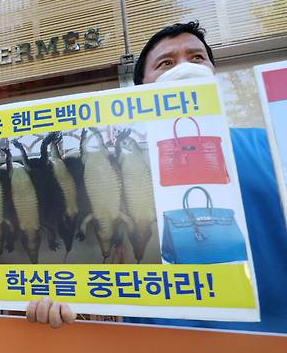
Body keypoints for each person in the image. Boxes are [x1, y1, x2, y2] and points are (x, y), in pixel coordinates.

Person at [28, 21, 287, 334]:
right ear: (141, 91)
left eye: (197, 58)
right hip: (154, 341)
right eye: (166, 63)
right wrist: (68, 301)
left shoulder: (270, 146)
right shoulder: (119, 169)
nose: (184, 68)